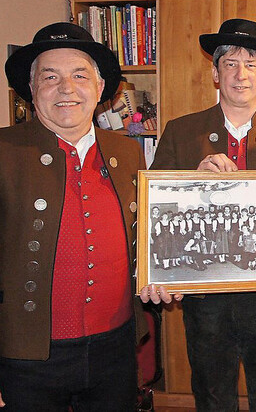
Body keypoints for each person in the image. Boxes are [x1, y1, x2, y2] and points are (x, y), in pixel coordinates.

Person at [147, 18, 256, 412]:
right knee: (211, 396)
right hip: (204, 295)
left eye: (252, 64)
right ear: (215, 73)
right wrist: (192, 182)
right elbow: (155, 211)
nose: (240, 74)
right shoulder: (180, 132)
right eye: (230, 63)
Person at [0, 22, 154, 410]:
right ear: (32, 90)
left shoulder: (129, 152)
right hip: (26, 356)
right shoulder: (3, 151)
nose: (66, 88)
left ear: (100, 88)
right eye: (50, 77)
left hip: (115, 349)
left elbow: (149, 238)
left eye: (79, 75)